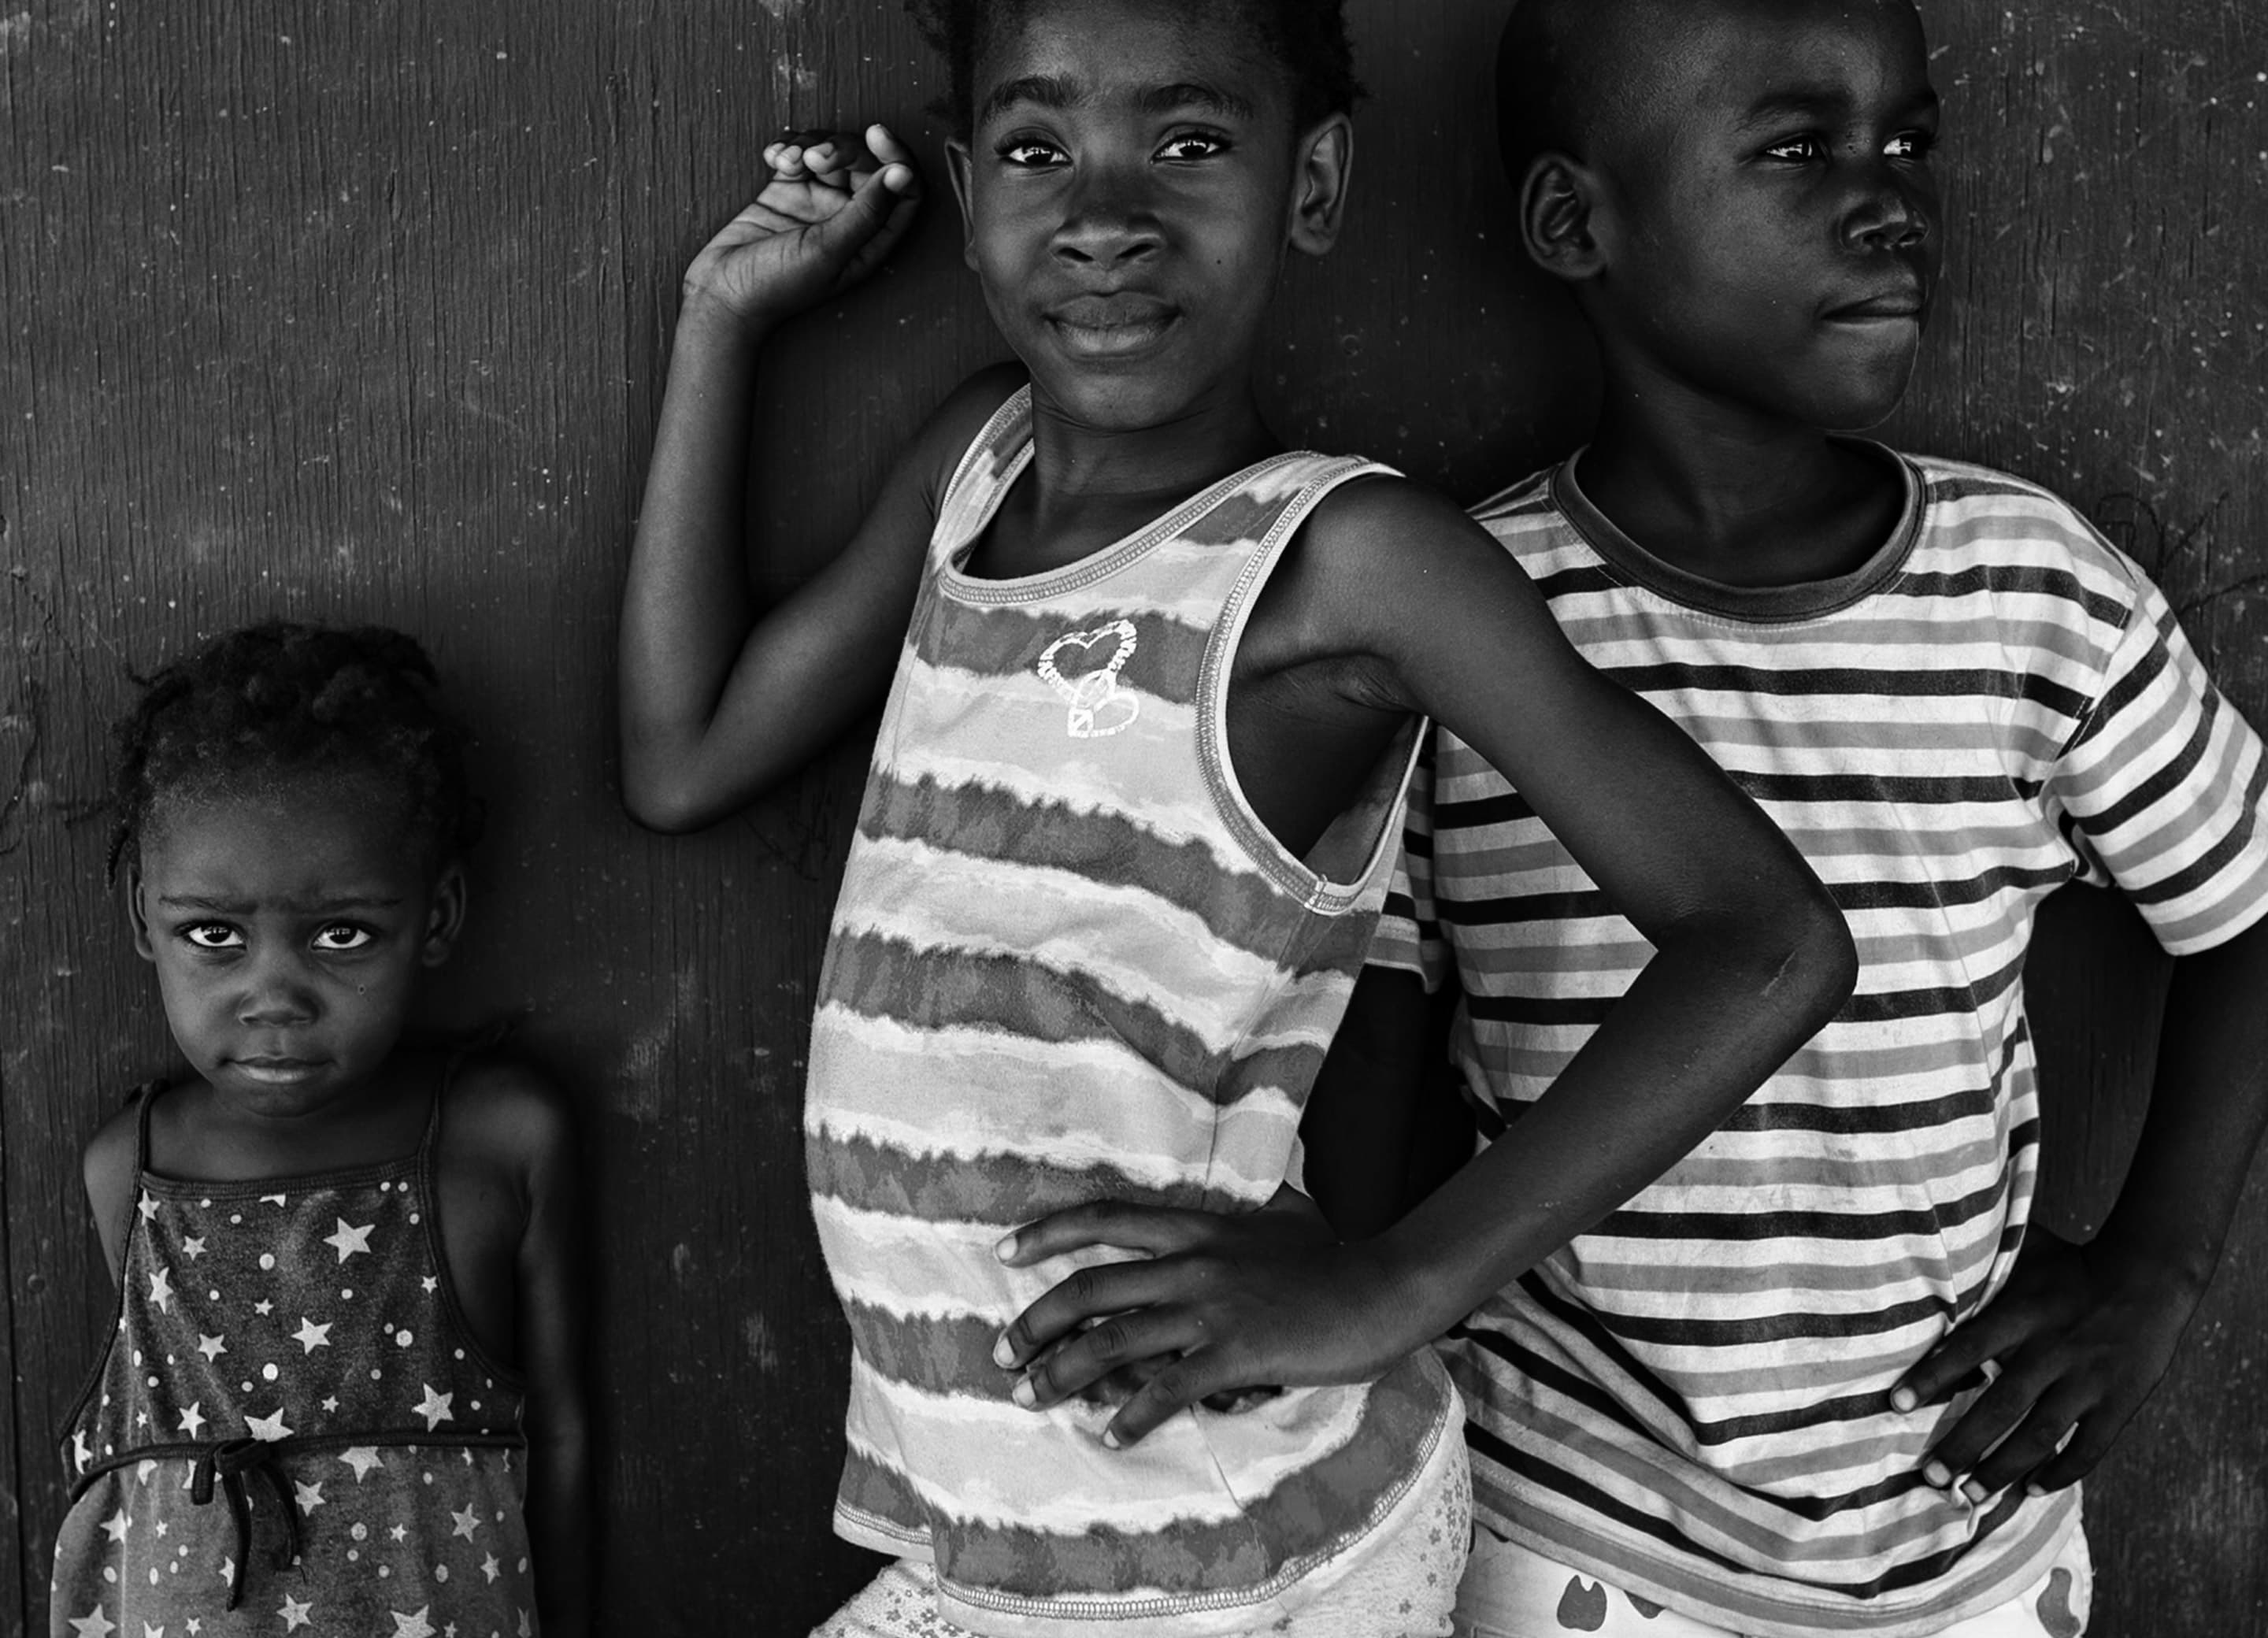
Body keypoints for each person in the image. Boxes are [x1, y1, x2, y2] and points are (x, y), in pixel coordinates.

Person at [617, 0, 1857, 1631]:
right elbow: (685, 757)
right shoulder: (976, 465)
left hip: (1240, 1539)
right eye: (1037, 147)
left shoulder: (1341, 561)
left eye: (1190, 143)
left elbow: (1767, 942)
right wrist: (719, 320)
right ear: (968, 197)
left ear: (1311, 185)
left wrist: (1394, 1285)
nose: (1105, 215)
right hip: (1017, 1527)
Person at [1307, 2, 2268, 1634]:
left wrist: (2155, 1268)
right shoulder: (1460, 619)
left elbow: (2249, 909)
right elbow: (1370, 1065)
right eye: (1799, 147)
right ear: (1576, 222)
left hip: (1965, 1528)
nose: (1890, 200)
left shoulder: (2031, 594)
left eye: (1910, 141)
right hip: (1573, 1525)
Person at [51, 623, 591, 1638]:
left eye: (342, 935)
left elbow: (558, 1435)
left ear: (437, 918)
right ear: (142, 918)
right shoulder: (131, 1168)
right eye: (214, 935)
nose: (275, 999)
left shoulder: (499, 1142)